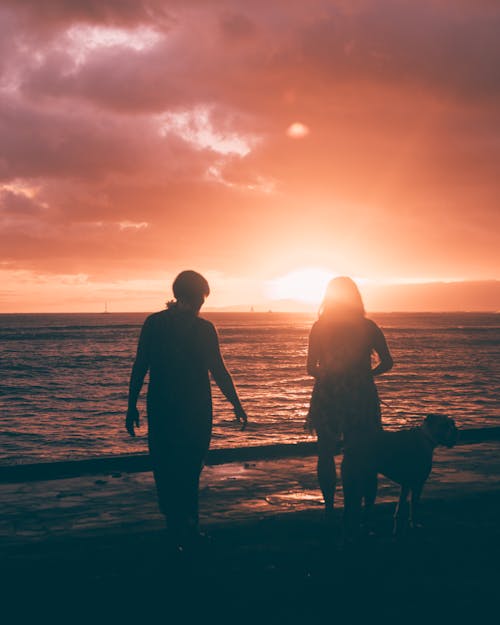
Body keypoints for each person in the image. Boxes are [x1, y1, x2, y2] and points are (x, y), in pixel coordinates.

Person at [126, 270, 248, 548]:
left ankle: (181, 527)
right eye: (201, 298)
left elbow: (140, 366)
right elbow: (218, 370)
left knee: (173, 467)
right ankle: (185, 528)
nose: (202, 304)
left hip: (168, 407)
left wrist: (131, 404)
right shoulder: (197, 329)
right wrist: (236, 403)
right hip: (190, 409)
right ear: (192, 297)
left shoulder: (157, 324)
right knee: (184, 468)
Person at [305, 276, 393, 539]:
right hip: (361, 395)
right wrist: (365, 376)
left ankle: (330, 509)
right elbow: (388, 362)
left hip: (328, 393)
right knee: (364, 454)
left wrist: (330, 375)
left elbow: (310, 367)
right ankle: (363, 512)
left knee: (325, 453)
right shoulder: (368, 327)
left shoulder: (320, 327)